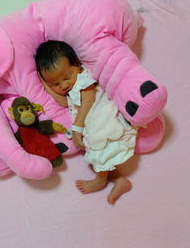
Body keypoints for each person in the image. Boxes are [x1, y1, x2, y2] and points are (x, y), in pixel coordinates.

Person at [35, 40, 137, 204]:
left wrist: (77, 129)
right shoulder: (70, 89)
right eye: (55, 84)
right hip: (93, 125)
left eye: (67, 77)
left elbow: (88, 100)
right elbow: (61, 101)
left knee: (99, 148)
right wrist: (44, 83)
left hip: (104, 119)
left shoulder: (84, 78)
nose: (63, 85)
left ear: (77, 65)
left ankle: (101, 180)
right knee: (101, 155)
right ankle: (120, 180)